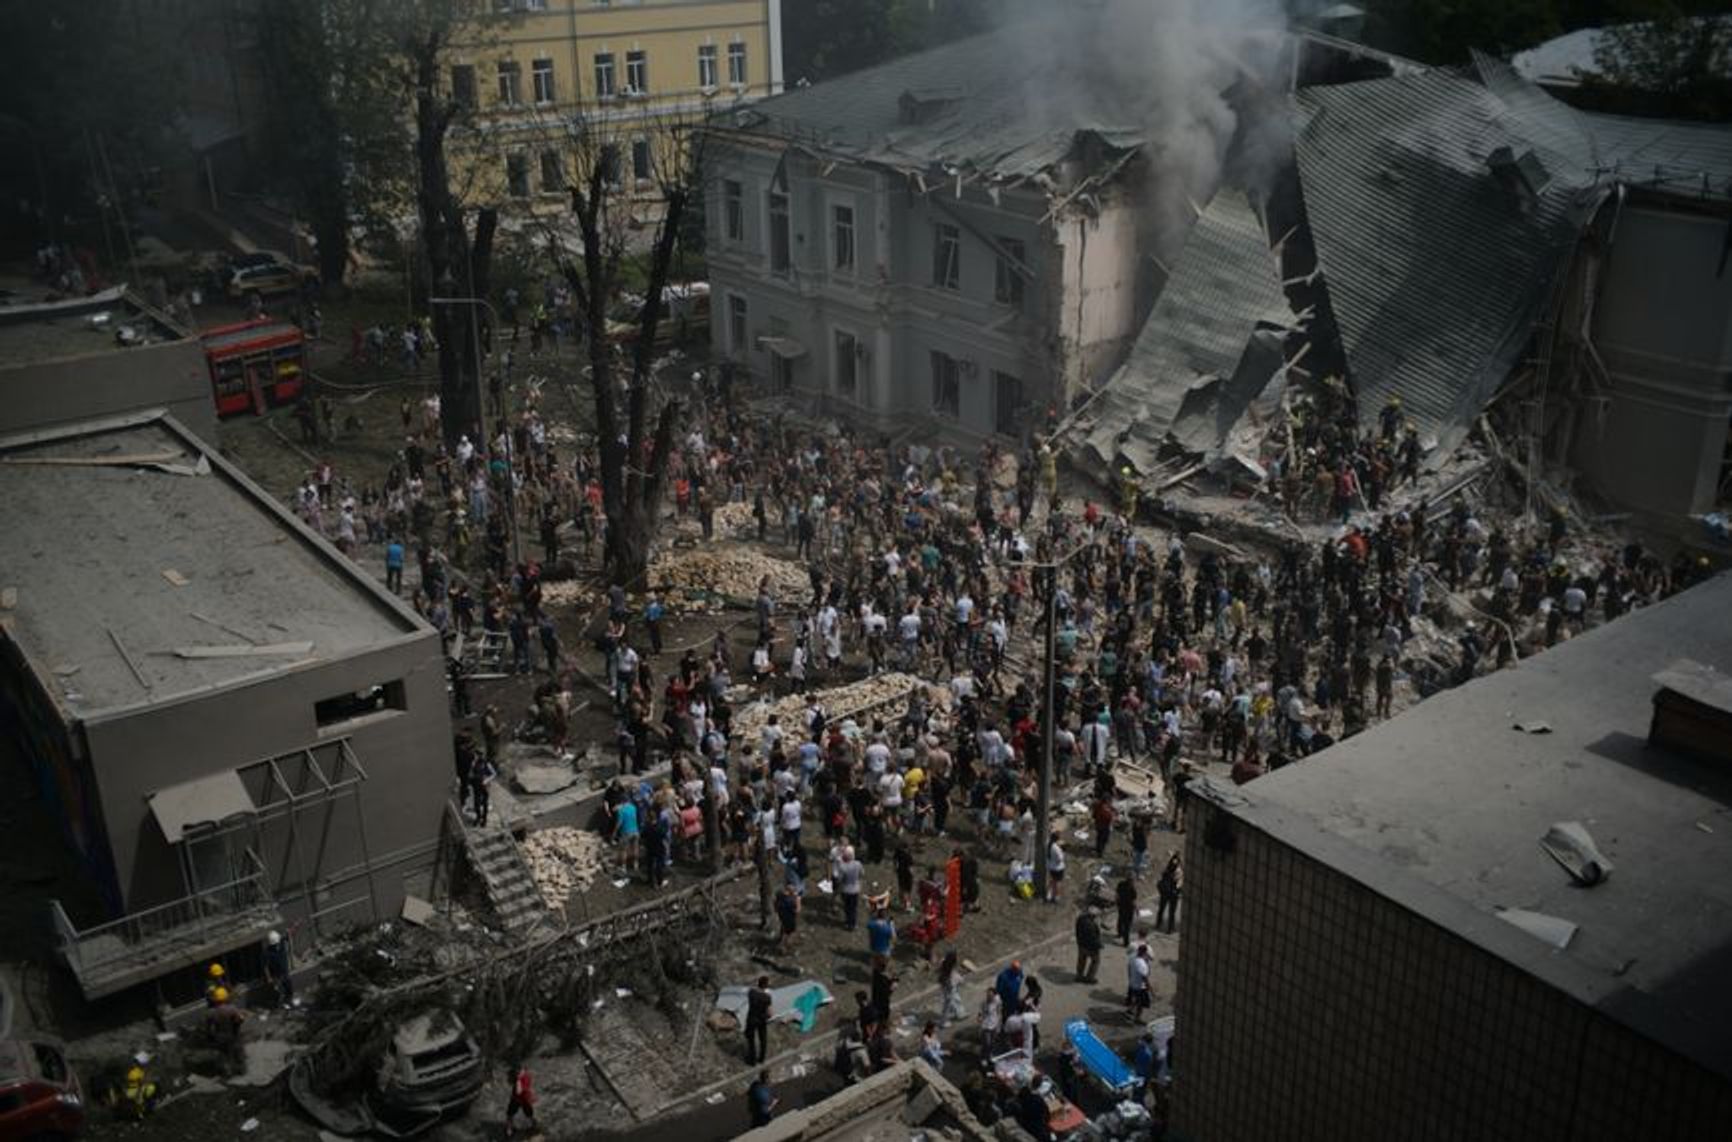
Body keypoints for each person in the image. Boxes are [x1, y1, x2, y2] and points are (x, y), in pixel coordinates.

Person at [745, 975, 773, 1064]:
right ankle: (761, 1058)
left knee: (751, 1040)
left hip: (751, 1018)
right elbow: (770, 1013)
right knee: (763, 1039)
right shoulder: (767, 997)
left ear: (758, 983)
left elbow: (752, 990)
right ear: (766, 985)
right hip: (761, 1020)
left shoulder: (751, 992)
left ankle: (752, 1060)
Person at [263, 930, 294, 1008]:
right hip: (277, 975)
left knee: (289, 989)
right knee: (279, 992)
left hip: (285, 972)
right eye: (275, 945)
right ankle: (279, 1005)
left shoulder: (282, 942)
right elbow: (265, 966)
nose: (277, 945)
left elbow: (288, 935)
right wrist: (269, 978)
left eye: (277, 943)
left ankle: (289, 1002)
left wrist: (291, 930)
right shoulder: (267, 952)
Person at [504, 1063, 536, 1137]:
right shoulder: (522, 1076)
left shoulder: (525, 1078)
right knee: (510, 1113)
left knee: (528, 1113)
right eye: (517, 1072)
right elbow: (509, 1082)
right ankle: (509, 1128)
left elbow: (519, 1091)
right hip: (518, 1099)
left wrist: (518, 1080)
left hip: (524, 1098)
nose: (518, 1073)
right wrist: (513, 1078)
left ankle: (531, 1127)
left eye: (520, 1071)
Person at [1074, 907, 1103, 983]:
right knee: (1096, 961)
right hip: (1091, 947)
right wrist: (1099, 945)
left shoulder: (1080, 919)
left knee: (1081, 960)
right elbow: (1094, 938)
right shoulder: (1092, 925)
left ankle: (1079, 976)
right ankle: (1090, 977)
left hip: (1081, 944)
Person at [1156, 853, 1183, 933]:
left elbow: (1162, 878)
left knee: (1161, 908)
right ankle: (1170, 928)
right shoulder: (1179, 872)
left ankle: (1158, 923)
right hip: (1173, 894)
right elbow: (1179, 884)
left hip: (1165, 892)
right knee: (1171, 912)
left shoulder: (1167, 869)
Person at [1126, 943, 1153, 1021]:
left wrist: (1130, 979)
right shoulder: (1142, 964)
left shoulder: (1132, 958)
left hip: (1133, 983)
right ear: (1144, 952)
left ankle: (1130, 1010)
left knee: (1137, 999)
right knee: (1141, 1003)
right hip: (1140, 986)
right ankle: (1138, 1018)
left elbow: (1129, 968)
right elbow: (1145, 978)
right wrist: (1150, 989)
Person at [1115, 875, 1138, 947]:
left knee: (1120, 919)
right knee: (1127, 925)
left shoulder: (1121, 884)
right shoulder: (1132, 889)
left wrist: (1117, 902)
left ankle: (1119, 933)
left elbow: (1117, 894)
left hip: (1121, 906)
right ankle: (1126, 942)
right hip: (1129, 908)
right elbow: (1133, 900)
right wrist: (1136, 909)